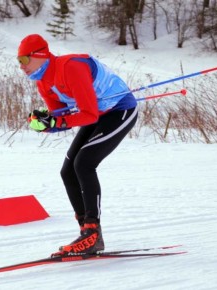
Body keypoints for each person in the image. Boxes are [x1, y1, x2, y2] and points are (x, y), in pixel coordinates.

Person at [18, 34, 138, 256]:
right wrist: (46, 124)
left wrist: (58, 121)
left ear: (40, 55)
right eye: (19, 61)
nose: (22, 66)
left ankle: (93, 231)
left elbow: (89, 114)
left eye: (25, 60)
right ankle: (87, 233)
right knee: (67, 171)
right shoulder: (42, 82)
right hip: (96, 115)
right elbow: (62, 118)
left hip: (120, 110)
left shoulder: (70, 68)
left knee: (84, 163)